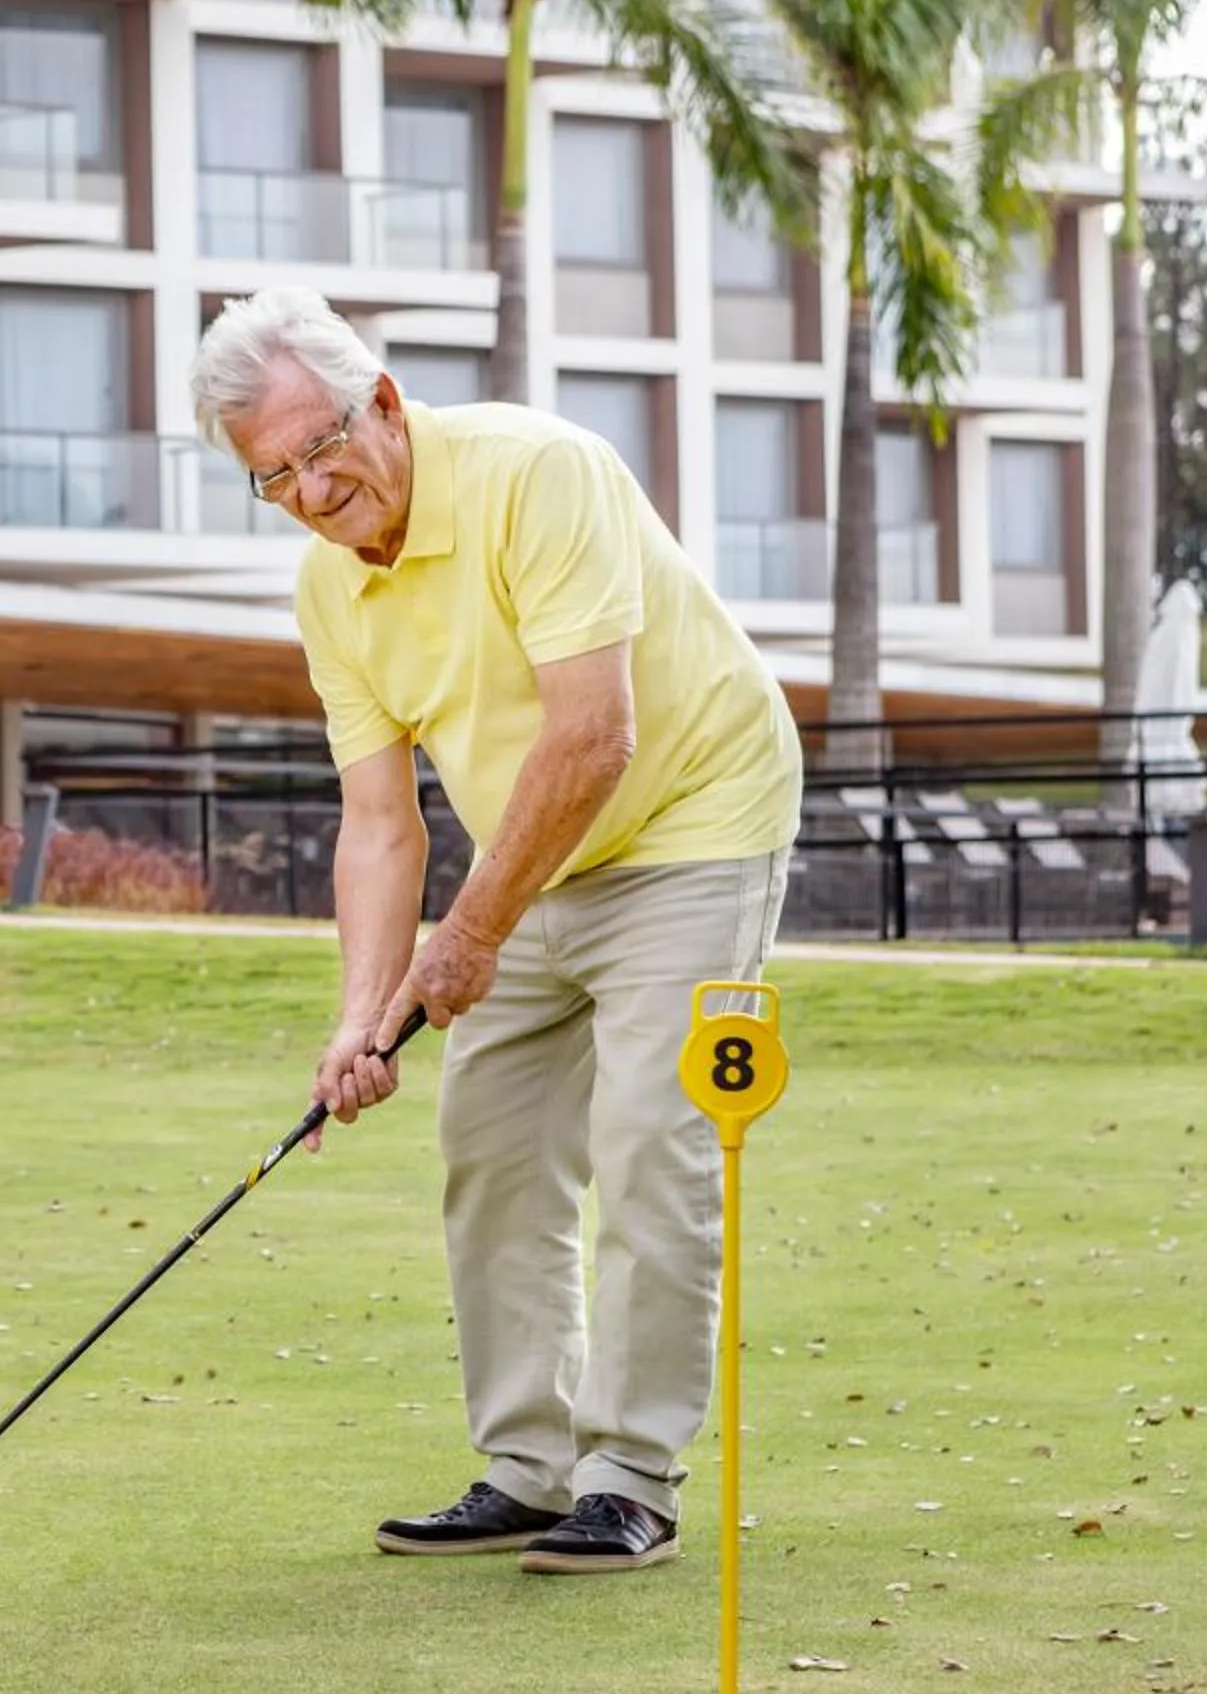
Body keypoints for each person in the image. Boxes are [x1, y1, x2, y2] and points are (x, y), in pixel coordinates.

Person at [189, 288, 802, 1575]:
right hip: (530, 855)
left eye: (320, 447)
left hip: (693, 815)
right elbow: (378, 825)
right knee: (492, 1143)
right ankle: (529, 1467)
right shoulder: (329, 590)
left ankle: (629, 1474)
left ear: (388, 405)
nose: (308, 488)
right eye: (273, 475)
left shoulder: (541, 474)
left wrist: (464, 939)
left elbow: (595, 734)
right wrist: (363, 1015)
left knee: (648, 1135)